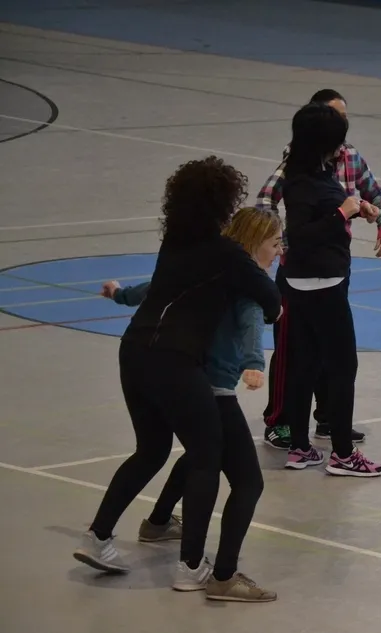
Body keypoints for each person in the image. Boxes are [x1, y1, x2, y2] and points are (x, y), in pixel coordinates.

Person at [71, 157, 282, 592]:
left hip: (134, 351)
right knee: (206, 456)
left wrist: (120, 295)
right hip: (174, 361)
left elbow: (154, 289)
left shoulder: (175, 242)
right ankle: (191, 568)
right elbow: (269, 297)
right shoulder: (228, 255)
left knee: (151, 449)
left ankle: (98, 536)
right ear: (223, 203)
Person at [259, 88, 381, 450]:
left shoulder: (339, 161)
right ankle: (285, 424)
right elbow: (275, 209)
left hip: (332, 268)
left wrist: (373, 216)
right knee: (302, 355)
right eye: (334, 118)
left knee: (318, 356)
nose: (342, 126)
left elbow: (371, 195)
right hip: (306, 273)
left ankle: (324, 425)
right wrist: (277, 245)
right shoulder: (299, 170)